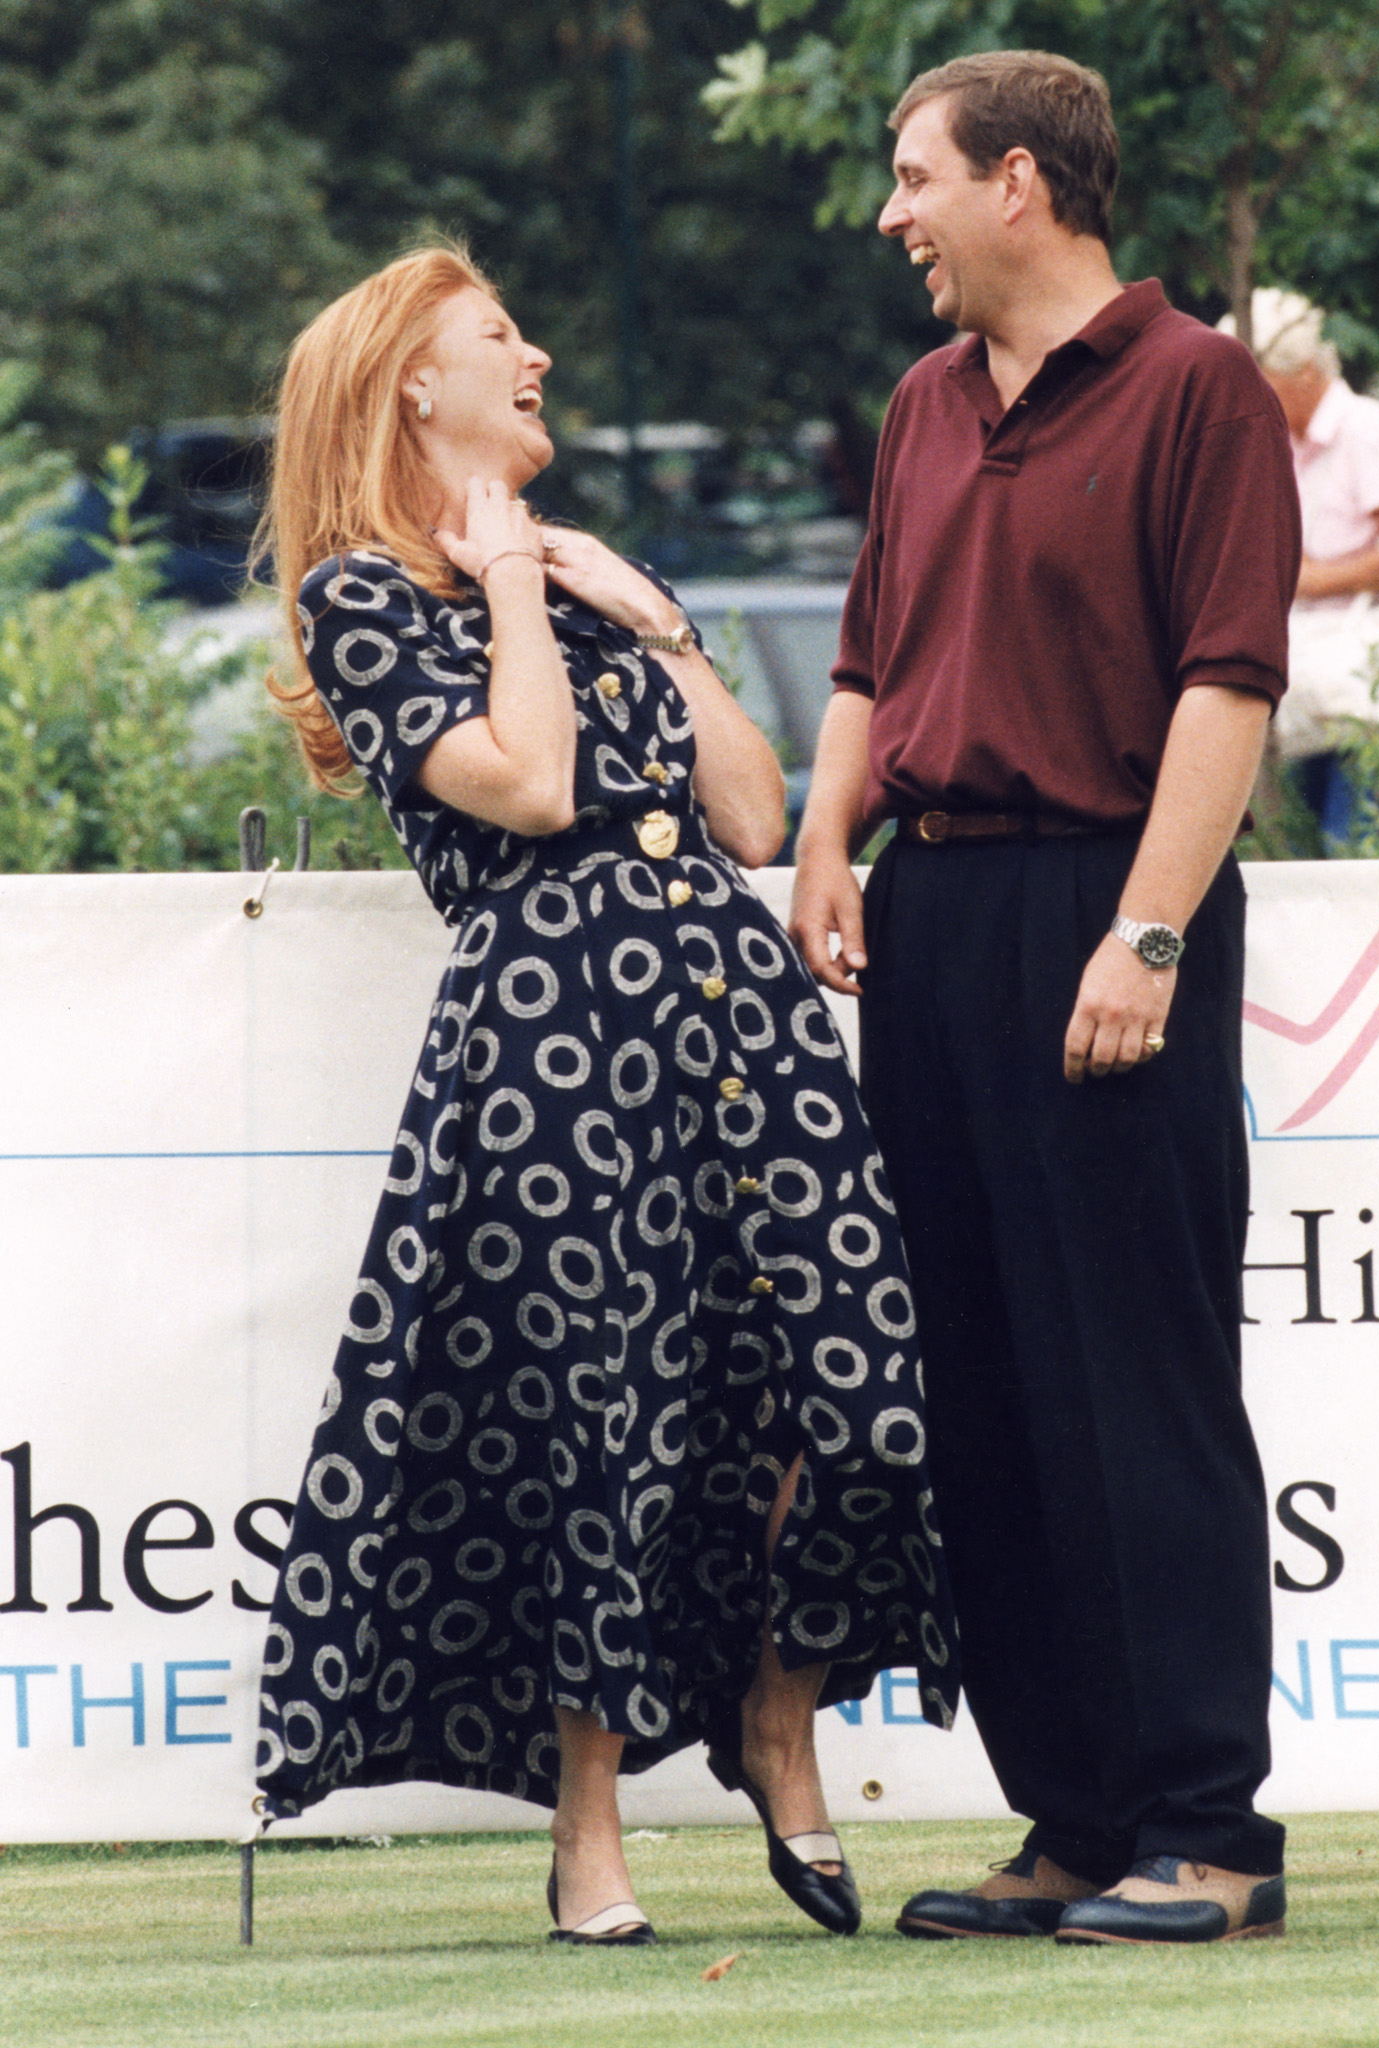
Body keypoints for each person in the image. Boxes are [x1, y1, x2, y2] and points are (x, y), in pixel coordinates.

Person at [251, 245, 958, 1946]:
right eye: (502, 337)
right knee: (608, 1428)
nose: (540, 354)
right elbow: (535, 783)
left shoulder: (582, 573)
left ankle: (776, 1714)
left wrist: (660, 623)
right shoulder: (366, 594)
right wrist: (503, 586)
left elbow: (747, 811)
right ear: (415, 385)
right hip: (555, 1040)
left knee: (858, 1396)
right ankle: (590, 1832)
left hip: (737, 1014)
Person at [791, 52, 1297, 1946]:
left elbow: (1226, 685)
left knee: (1134, 1380)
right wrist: (829, 841)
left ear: (1022, 183)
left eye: (914, 179)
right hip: (933, 915)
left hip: (1110, 899)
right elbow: (868, 654)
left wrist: (1148, 935)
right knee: (987, 1382)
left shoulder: (1198, 388)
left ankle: (1208, 1832)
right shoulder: (925, 402)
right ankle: (1075, 1819)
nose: (891, 215)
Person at [1234, 287, 1379, 843]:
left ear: (1301, 372)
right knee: (1322, 869)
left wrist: (1310, 578)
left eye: (1254, 379)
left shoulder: (1366, 430)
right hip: (1324, 687)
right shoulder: (1281, 447)